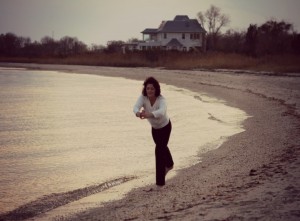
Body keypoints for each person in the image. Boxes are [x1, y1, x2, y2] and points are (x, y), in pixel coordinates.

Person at [133, 76, 174, 187]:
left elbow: (161, 112)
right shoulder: (143, 97)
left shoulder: (162, 100)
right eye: (148, 88)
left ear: (156, 89)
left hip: (165, 127)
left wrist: (148, 114)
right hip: (155, 129)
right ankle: (170, 164)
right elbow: (135, 107)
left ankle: (160, 183)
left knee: (159, 150)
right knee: (162, 147)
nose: (149, 91)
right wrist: (139, 114)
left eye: (152, 88)